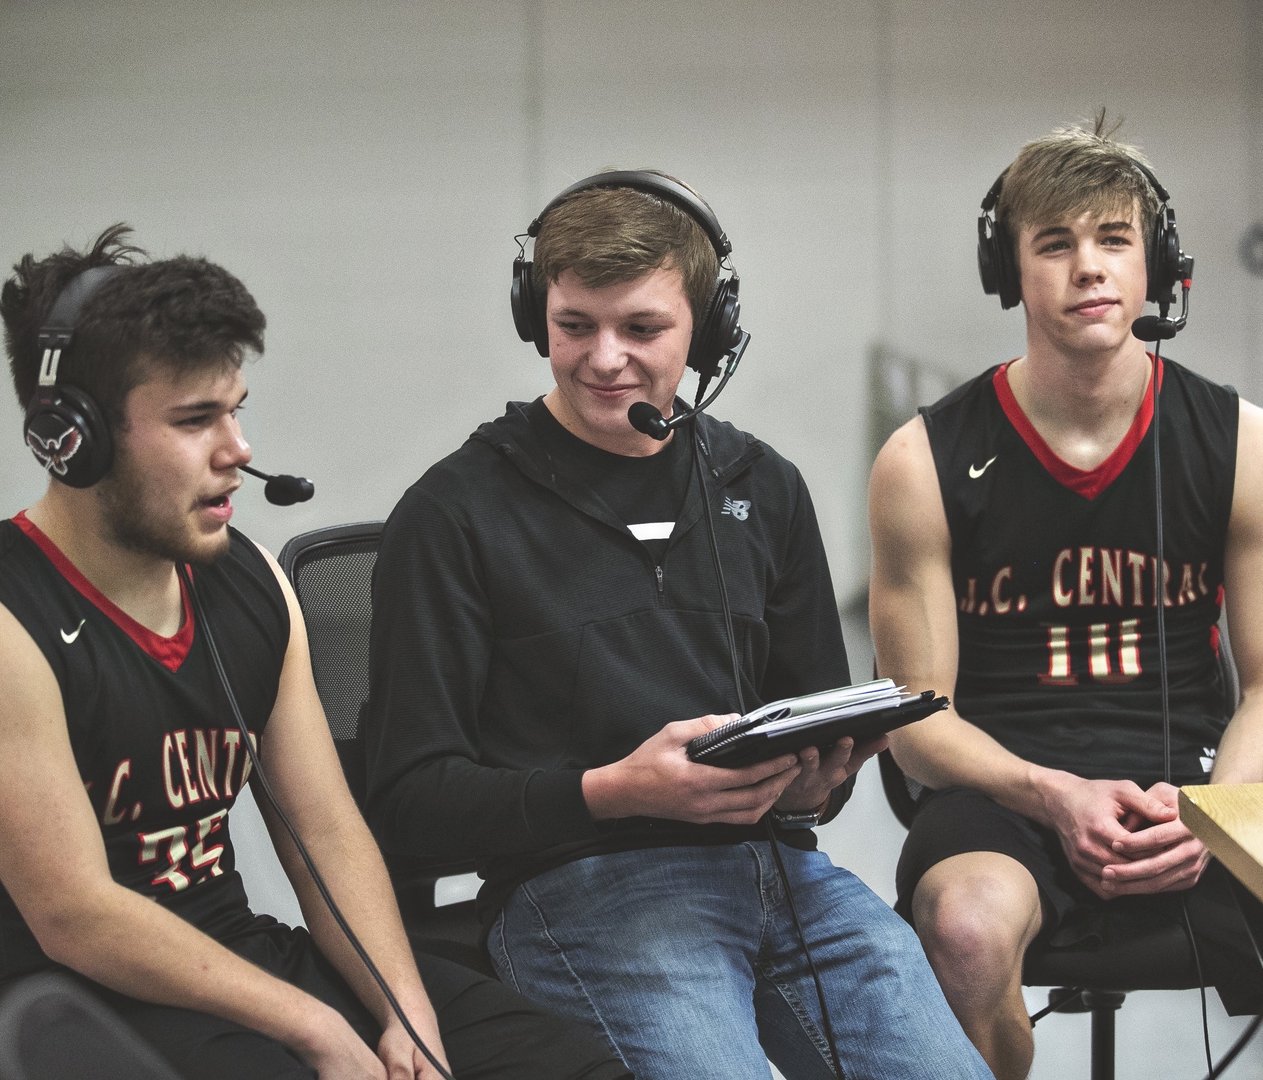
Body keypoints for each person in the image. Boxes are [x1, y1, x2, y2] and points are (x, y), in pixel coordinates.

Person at [0, 225, 630, 1080]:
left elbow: (326, 827)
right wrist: (313, 1028)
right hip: (52, 1011)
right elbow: (78, 916)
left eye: (236, 410)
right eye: (196, 420)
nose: (237, 451)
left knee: (563, 1064)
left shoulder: (251, 586)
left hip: (229, 966)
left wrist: (405, 1012)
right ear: (72, 437)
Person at [359, 172, 990, 1080]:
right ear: (535, 316)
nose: (604, 359)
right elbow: (409, 799)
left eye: (642, 329)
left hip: (785, 877)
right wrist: (614, 791)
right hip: (578, 888)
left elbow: (814, 734)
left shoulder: (762, 488)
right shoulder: (457, 511)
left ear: (708, 329)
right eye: (574, 325)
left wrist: (815, 782)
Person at [868, 115, 1263, 1080]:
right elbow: (915, 721)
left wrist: (1214, 811)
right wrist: (1055, 796)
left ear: (1158, 268)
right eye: (1055, 244)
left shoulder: (1246, 444)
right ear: (1010, 272)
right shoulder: (922, 461)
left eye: (1115, 240)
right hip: (1003, 793)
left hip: (1189, 789)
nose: (1089, 269)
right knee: (966, 935)